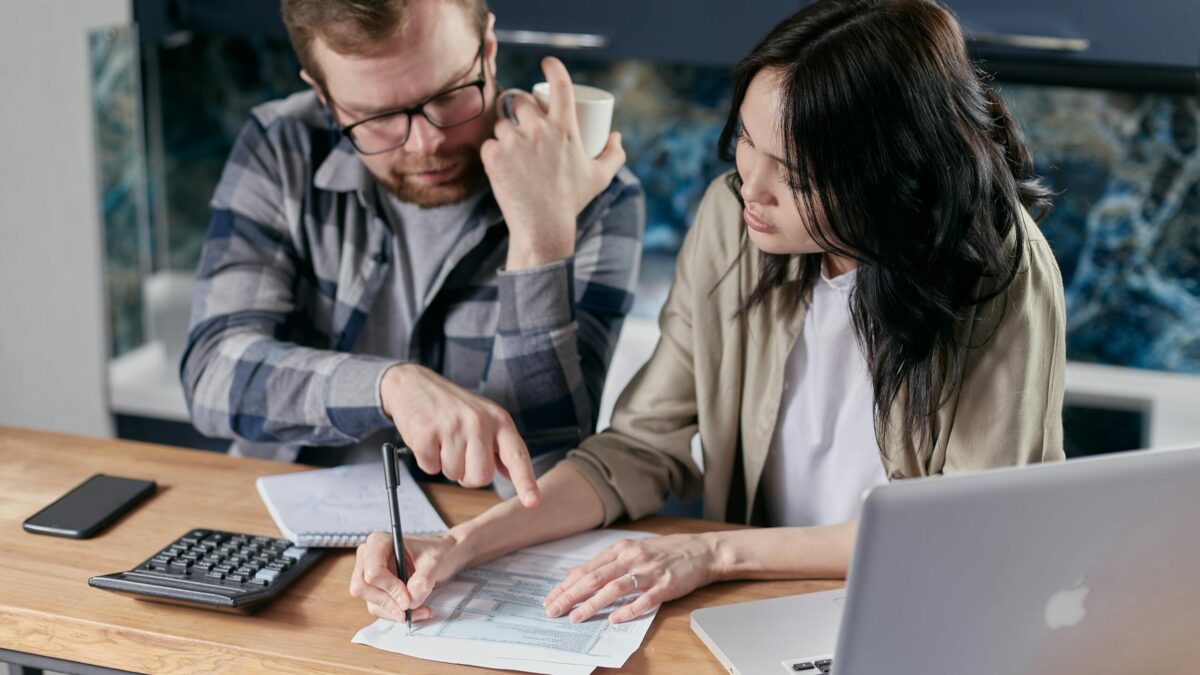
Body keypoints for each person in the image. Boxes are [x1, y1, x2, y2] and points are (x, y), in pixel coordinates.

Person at [350, 0, 1067, 625]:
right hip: (759, 606)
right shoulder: (733, 221)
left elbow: (967, 531)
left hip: (918, 612)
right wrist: (463, 543)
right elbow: (637, 448)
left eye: (794, 175)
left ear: (889, 176)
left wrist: (712, 550)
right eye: (747, 143)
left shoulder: (1000, 271)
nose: (748, 187)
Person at [180, 0, 645, 504]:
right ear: (323, 96)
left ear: (487, 50)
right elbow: (211, 375)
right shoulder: (281, 146)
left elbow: (544, 477)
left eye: (448, 96)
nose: (426, 143)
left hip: (477, 541)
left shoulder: (596, 193)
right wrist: (389, 387)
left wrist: (539, 242)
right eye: (375, 117)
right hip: (280, 519)